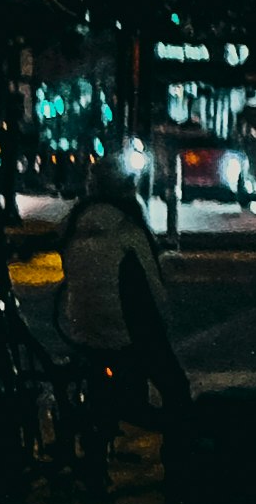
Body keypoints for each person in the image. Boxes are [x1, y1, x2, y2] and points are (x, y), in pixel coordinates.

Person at [53, 172, 187, 459]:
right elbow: (154, 287)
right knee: (175, 387)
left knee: (101, 376)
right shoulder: (128, 228)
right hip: (124, 328)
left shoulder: (74, 223)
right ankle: (177, 453)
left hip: (82, 324)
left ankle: (96, 449)